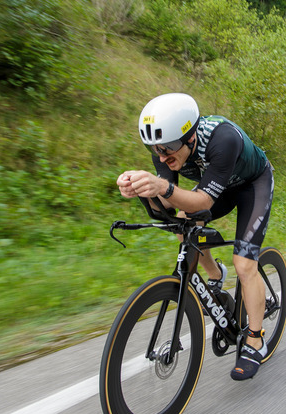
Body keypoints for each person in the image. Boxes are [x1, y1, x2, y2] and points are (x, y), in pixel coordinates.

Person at [117, 92, 274, 380]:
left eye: (167, 149)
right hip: (218, 188)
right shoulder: (166, 150)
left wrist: (161, 188)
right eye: (155, 149)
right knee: (181, 225)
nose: (162, 156)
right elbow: (167, 205)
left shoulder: (223, 139)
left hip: (253, 184)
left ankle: (255, 338)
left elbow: (201, 202)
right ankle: (215, 275)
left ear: (189, 137)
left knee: (244, 263)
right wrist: (141, 190)